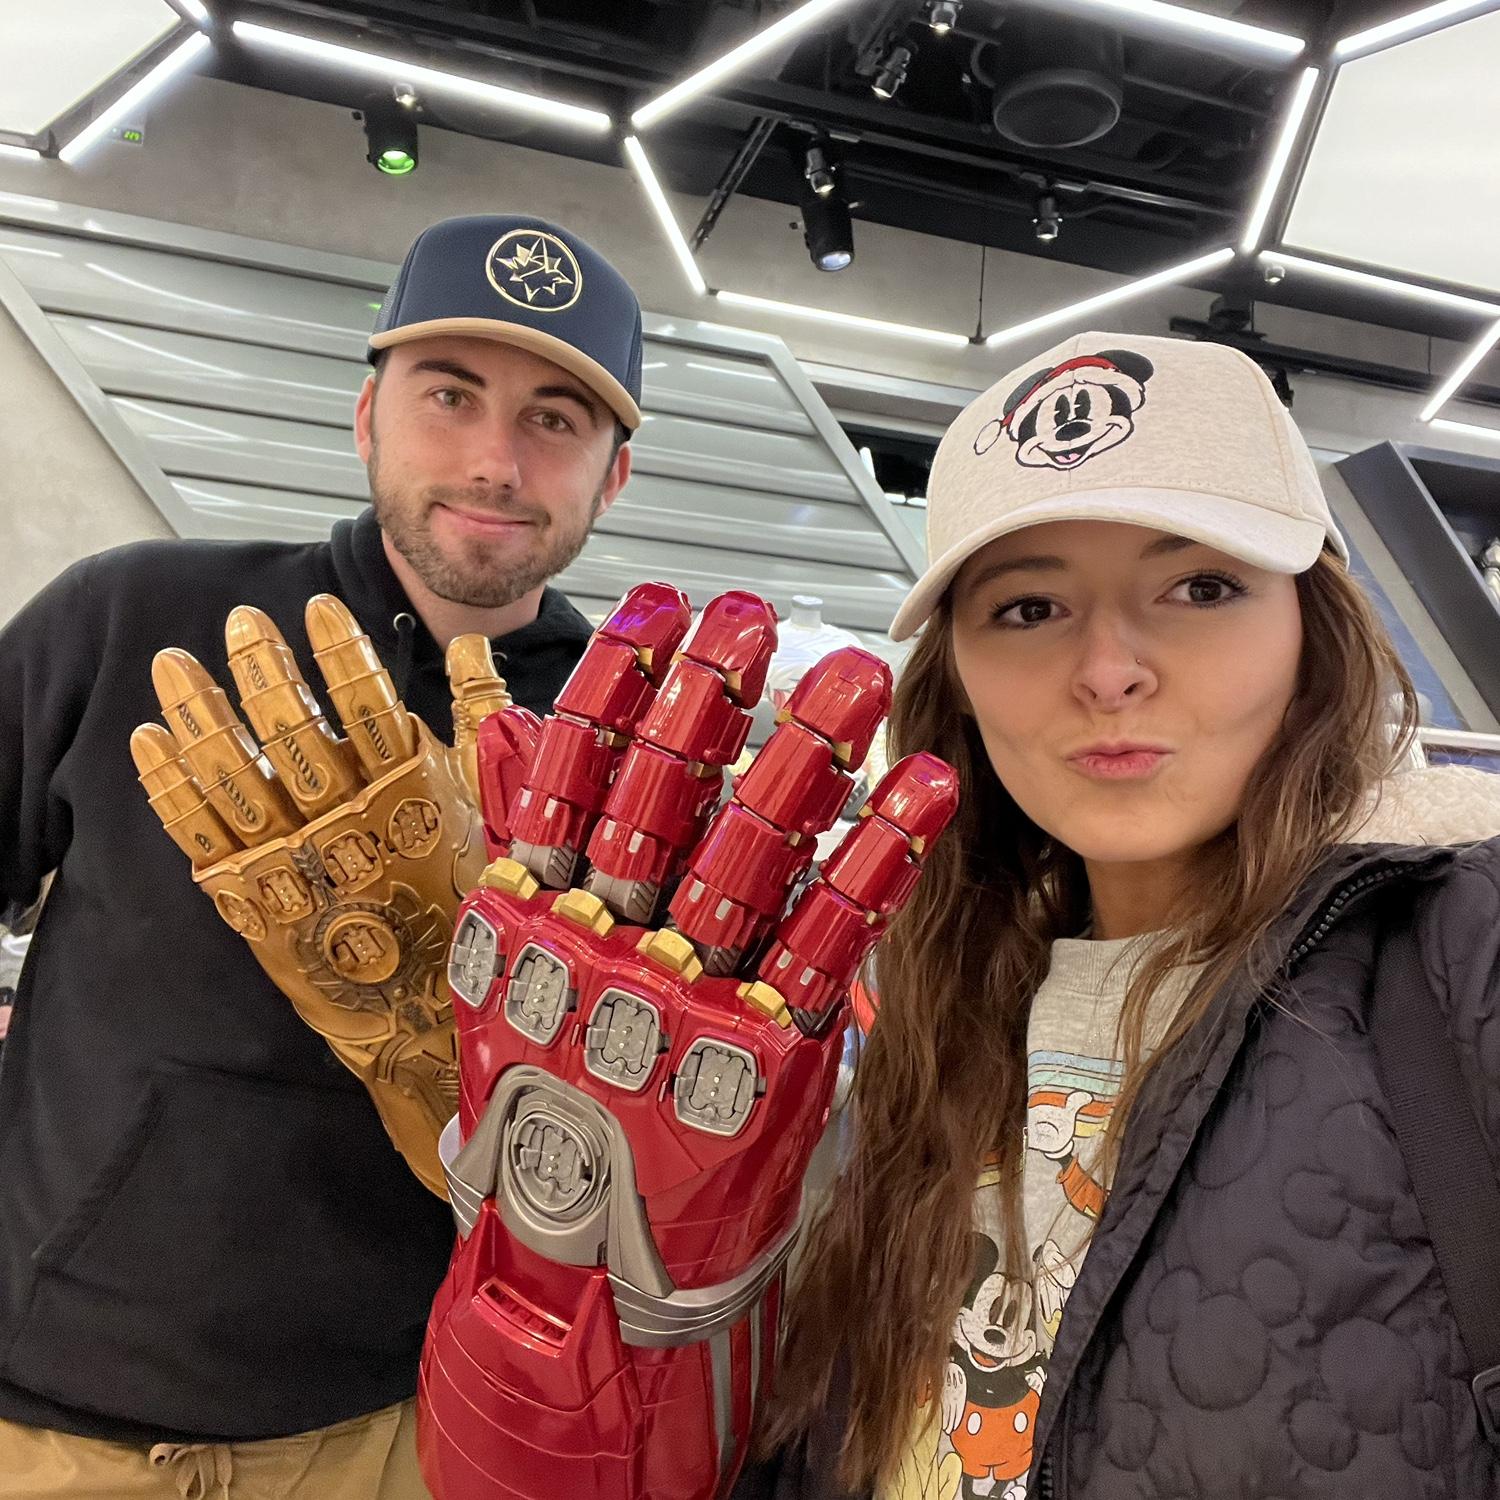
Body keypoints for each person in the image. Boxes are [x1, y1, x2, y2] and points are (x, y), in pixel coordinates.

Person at [738, 333, 1500, 1500]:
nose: (1107, 670)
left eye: (1202, 588)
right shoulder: (929, 1007)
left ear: (1314, 630)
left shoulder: (1457, 956)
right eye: (1029, 606)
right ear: (959, 681)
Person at [0, 212, 639, 1497]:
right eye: (449, 394)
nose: (496, 459)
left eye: (555, 418)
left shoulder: (632, 736)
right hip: (52, 1420)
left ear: (613, 475)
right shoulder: (136, 616)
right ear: (366, 418)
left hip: (405, 1428)